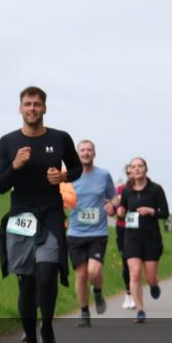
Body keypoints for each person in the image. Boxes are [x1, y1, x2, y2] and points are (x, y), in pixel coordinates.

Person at [0, 86, 82, 343]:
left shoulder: (59, 138)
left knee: (47, 274)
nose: (32, 108)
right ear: (20, 109)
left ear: (44, 108)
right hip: (21, 217)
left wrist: (64, 176)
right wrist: (16, 166)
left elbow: (77, 168)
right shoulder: (8, 143)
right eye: (27, 104)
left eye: (37, 104)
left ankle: (46, 327)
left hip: (51, 214)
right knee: (27, 283)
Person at [66, 140, 117, 327]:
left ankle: (97, 290)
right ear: (77, 154)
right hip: (75, 232)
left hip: (98, 232)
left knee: (94, 272)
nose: (86, 153)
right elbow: (60, 198)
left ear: (94, 153)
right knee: (81, 275)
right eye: (82, 150)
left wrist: (113, 204)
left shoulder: (103, 175)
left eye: (89, 150)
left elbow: (114, 196)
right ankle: (84, 312)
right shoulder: (69, 176)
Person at [116, 157, 170, 324]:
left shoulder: (156, 189)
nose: (137, 169)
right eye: (134, 167)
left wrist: (151, 211)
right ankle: (140, 310)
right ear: (130, 171)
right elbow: (123, 208)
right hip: (131, 237)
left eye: (140, 166)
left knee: (150, 277)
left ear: (146, 169)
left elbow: (165, 213)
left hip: (151, 238)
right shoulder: (126, 190)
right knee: (134, 273)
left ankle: (153, 284)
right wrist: (120, 211)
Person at [114, 165, 135, 310]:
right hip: (123, 228)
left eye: (133, 172)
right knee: (126, 261)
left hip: (140, 229)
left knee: (138, 264)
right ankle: (129, 294)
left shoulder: (145, 189)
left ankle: (140, 288)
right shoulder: (120, 190)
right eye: (128, 173)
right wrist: (116, 209)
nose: (131, 175)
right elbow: (112, 206)